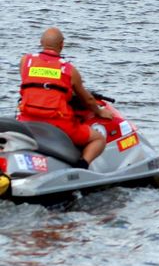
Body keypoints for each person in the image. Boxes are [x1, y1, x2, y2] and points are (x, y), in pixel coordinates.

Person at [18, 27, 114, 168]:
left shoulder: (26, 61)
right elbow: (88, 100)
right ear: (62, 45)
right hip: (57, 124)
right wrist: (100, 111)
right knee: (98, 139)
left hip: (27, 119)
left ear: (41, 42)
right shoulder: (69, 70)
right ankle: (82, 166)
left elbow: (34, 85)